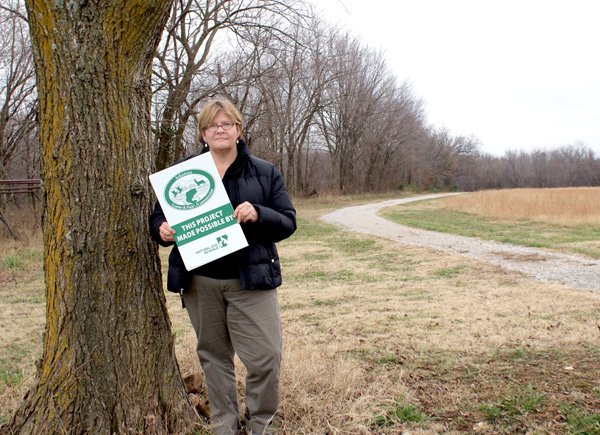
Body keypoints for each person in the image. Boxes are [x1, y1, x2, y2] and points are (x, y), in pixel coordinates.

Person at [149, 97, 296, 435]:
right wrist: (161, 229)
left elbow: (288, 222)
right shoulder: (184, 174)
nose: (219, 129)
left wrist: (258, 214)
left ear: (238, 130)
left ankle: (260, 423)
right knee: (214, 358)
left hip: (251, 280)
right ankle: (225, 424)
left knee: (265, 356)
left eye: (226, 123)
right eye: (212, 125)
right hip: (201, 281)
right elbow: (158, 216)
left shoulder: (264, 171)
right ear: (202, 133)